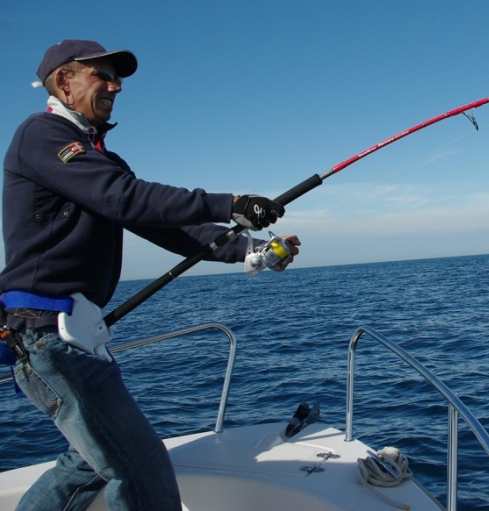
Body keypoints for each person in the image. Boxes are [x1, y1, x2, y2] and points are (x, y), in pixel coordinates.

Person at [0, 39, 301, 510]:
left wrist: (251, 251)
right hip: (46, 332)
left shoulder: (99, 161)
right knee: (139, 468)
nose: (116, 86)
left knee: (88, 460)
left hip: (74, 335)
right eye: (102, 75)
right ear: (64, 81)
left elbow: (160, 222)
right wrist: (232, 202)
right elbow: (126, 198)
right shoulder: (41, 135)